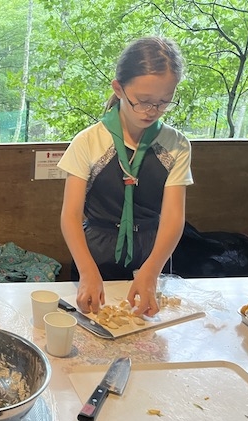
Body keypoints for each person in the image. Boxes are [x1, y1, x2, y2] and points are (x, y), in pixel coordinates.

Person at [58, 37, 192, 317]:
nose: (152, 112)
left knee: (149, 336)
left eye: (163, 103)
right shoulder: (88, 142)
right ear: (119, 89)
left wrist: (152, 271)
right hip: (94, 255)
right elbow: (70, 216)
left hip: (152, 254)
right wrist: (87, 271)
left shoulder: (177, 144)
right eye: (143, 102)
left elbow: (173, 218)